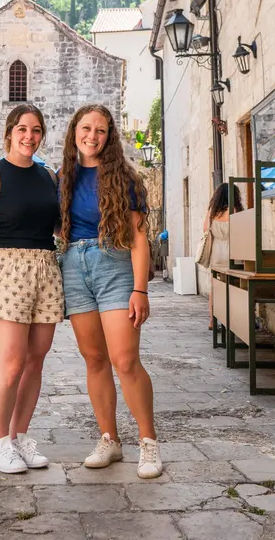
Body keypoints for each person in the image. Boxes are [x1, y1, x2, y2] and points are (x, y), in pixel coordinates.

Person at [59, 104, 161, 479]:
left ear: (110, 136)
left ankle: (148, 443)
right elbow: (58, 228)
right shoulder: (62, 179)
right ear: (74, 132)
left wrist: (140, 289)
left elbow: (138, 237)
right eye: (86, 128)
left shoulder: (126, 179)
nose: (92, 136)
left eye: (100, 130)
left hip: (114, 266)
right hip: (74, 267)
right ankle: (110, 440)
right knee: (94, 360)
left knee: (125, 360)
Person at [0, 104, 63, 475]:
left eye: (36, 130)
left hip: (45, 270)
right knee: (11, 364)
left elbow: (57, 228)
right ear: (10, 132)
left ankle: (19, 436)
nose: (29, 136)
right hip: (4, 271)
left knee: (35, 361)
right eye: (22, 129)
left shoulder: (49, 178)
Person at [203, 183, 244, 329]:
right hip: (233, 252)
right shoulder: (236, 210)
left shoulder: (212, 212)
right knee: (234, 286)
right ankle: (232, 319)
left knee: (215, 287)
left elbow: (205, 230)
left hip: (216, 252)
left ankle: (213, 321)